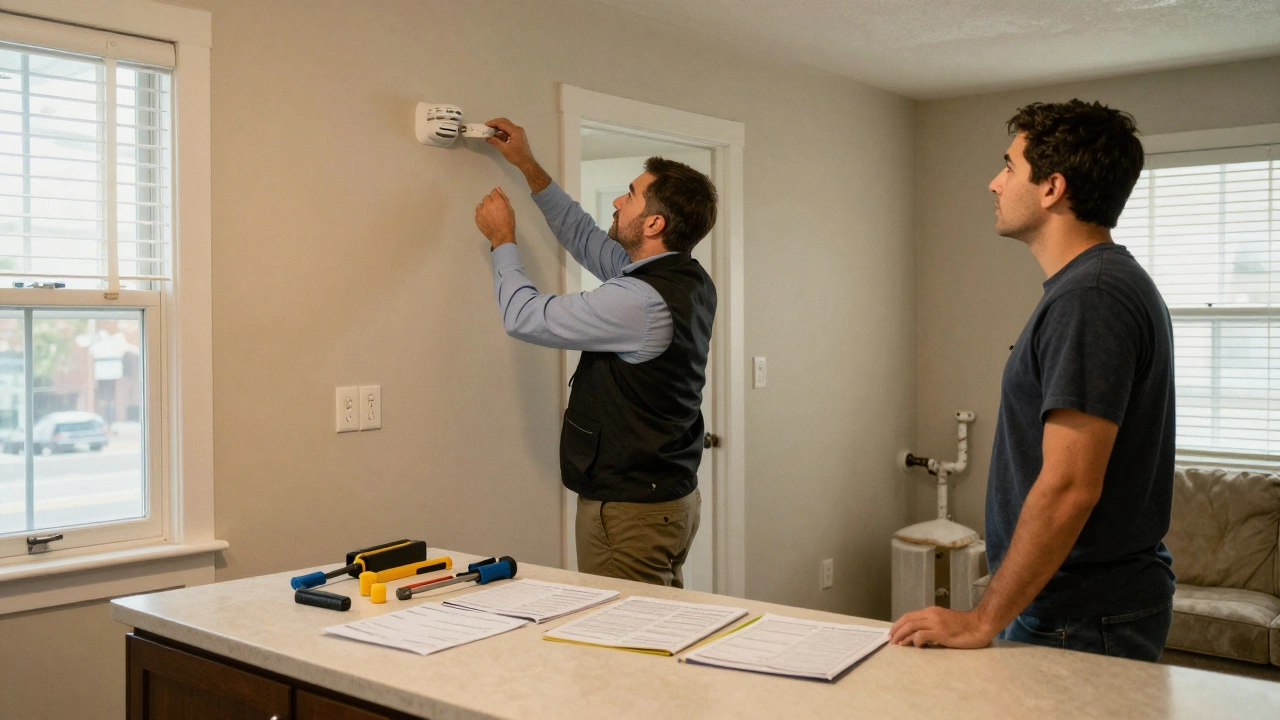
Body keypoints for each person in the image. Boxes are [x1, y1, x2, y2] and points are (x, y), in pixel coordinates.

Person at [890, 100, 1176, 661]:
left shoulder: (1091, 297)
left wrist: (981, 620)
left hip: (1080, 616)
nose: (994, 183)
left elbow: (1071, 487)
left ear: (1052, 188)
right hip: (1075, 608)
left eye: (1009, 167)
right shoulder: (1095, 287)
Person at [473, 118, 718, 588]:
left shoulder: (638, 301)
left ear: (654, 223)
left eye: (630, 194)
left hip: (631, 515)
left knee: (625, 643)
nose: (618, 201)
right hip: (667, 501)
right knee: (652, 635)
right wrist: (527, 165)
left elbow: (526, 317)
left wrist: (502, 240)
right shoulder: (683, 277)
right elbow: (584, 236)